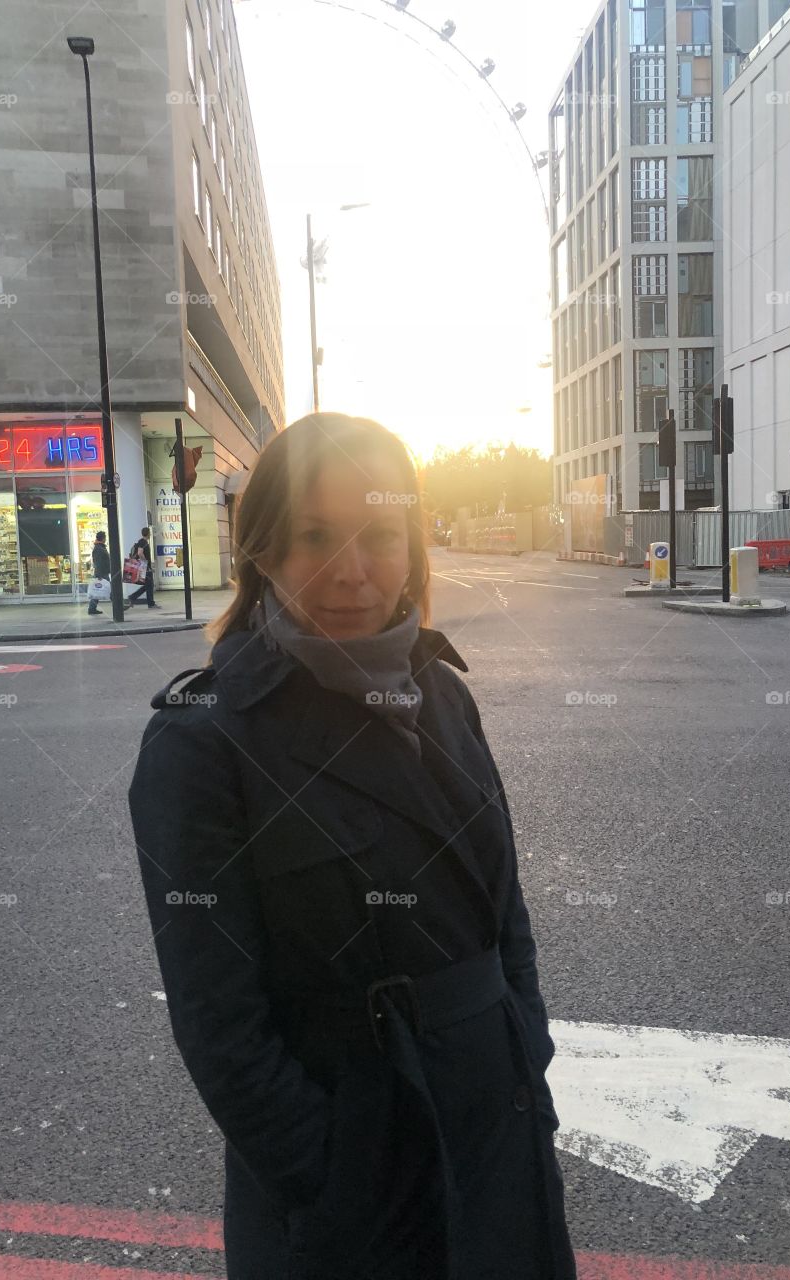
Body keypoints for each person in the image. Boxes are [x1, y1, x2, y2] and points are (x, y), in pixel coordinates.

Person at [128, 413, 577, 1280]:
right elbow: (219, 1022)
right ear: (262, 550)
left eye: (379, 535)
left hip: (497, 1137)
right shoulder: (203, 742)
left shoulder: (442, 690)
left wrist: (527, 1047)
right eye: (316, 537)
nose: (353, 571)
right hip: (351, 1192)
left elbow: (503, 909)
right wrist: (327, 1171)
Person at [127, 526, 160, 608]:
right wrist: (145, 562)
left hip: (143, 566)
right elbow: (140, 553)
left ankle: (133, 597)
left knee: (148, 585)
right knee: (149, 584)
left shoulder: (141, 542)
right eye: (150, 533)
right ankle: (150, 604)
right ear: (148, 534)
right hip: (144, 566)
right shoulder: (143, 542)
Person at [87, 531, 110, 615]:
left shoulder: (100, 547)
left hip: (103, 572)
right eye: (105, 537)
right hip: (102, 573)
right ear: (103, 538)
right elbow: (98, 562)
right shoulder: (99, 549)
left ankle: (92, 608)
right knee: (110, 589)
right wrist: (99, 575)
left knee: (97, 591)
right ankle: (119, 606)